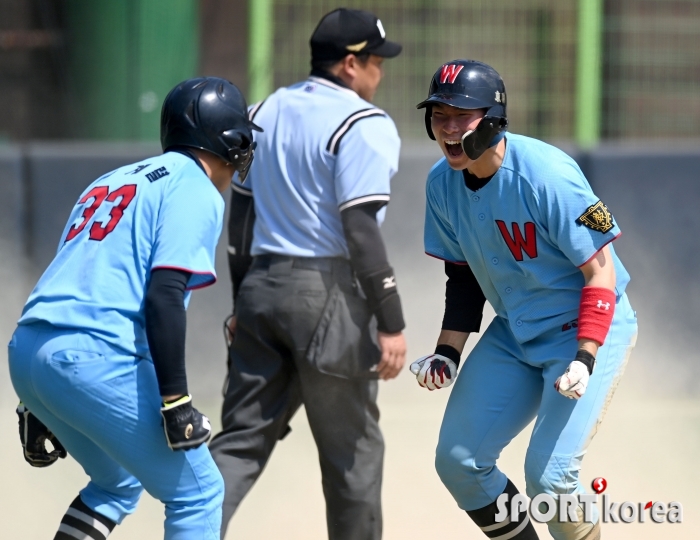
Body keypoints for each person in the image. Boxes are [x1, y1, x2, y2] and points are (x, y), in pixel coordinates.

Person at [8, 77, 260, 540]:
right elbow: (165, 294)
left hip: (28, 351)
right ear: (232, 142)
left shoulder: (111, 180)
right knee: (199, 493)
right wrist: (176, 402)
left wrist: (34, 399)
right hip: (93, 356)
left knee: (117, 483)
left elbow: (69, 282)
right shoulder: (195, 189)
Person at [408, 60, 637, 540]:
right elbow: (463, 276)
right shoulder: (440, 184)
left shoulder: (548, 174)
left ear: (492, 119)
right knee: (458, 462)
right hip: (515, 332)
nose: (449, 128)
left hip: (585, 331)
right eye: (439, 115)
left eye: (462, 115)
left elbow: (601, 271)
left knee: (550, 481)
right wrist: (448, 352)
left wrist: (585, 356)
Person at [208, 8, 406, 540]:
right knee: (352, 456)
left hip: (262, 289)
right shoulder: (366, 123)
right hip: (329, 296)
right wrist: (391, 319)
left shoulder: (261, 112)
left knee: (240, 442)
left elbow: (241, 218)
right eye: (374, 62)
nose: (379, 73)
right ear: (349, 64)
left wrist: (240, 301)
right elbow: (359, 228)